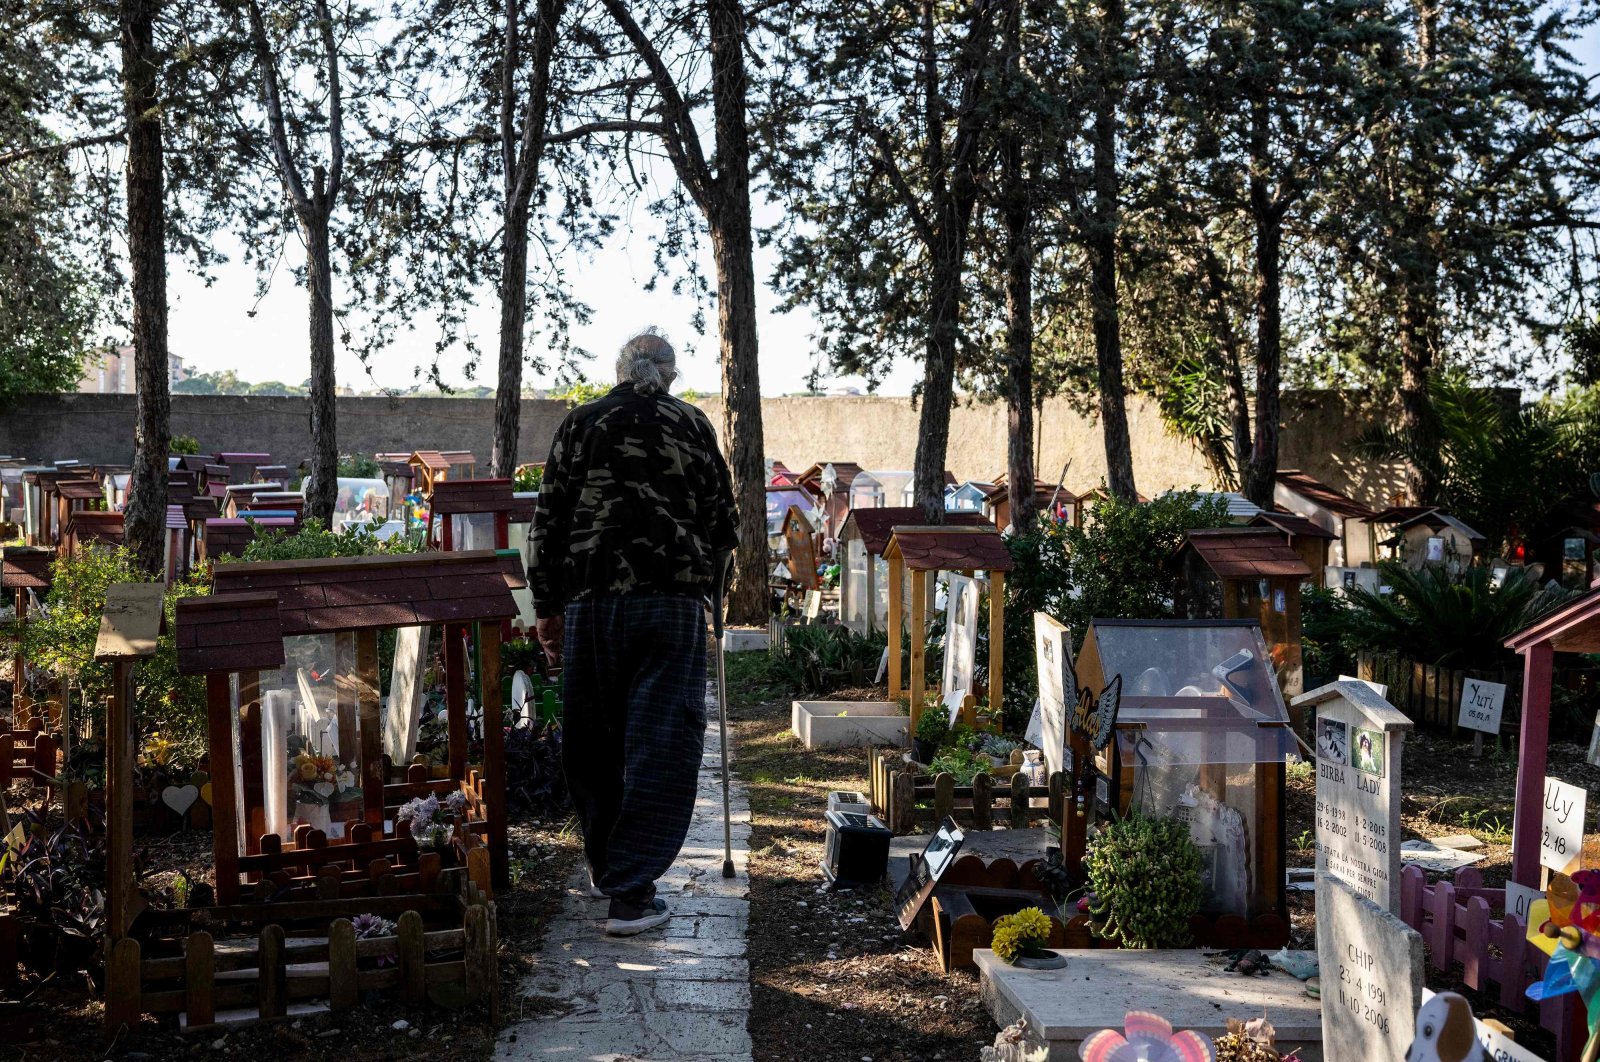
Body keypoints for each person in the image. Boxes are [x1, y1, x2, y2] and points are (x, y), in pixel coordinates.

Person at [529, 329, 739, 936]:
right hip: (670, 606)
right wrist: (717, 595)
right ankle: (631, 890)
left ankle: (610, 869)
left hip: (592, 606)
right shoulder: (692, 424)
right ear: (668, 375)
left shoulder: (580, 423)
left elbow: (548, 521)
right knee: (661, 741)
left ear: (621, 370)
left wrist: (547, 607)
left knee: (593, 740)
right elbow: (724, 524)